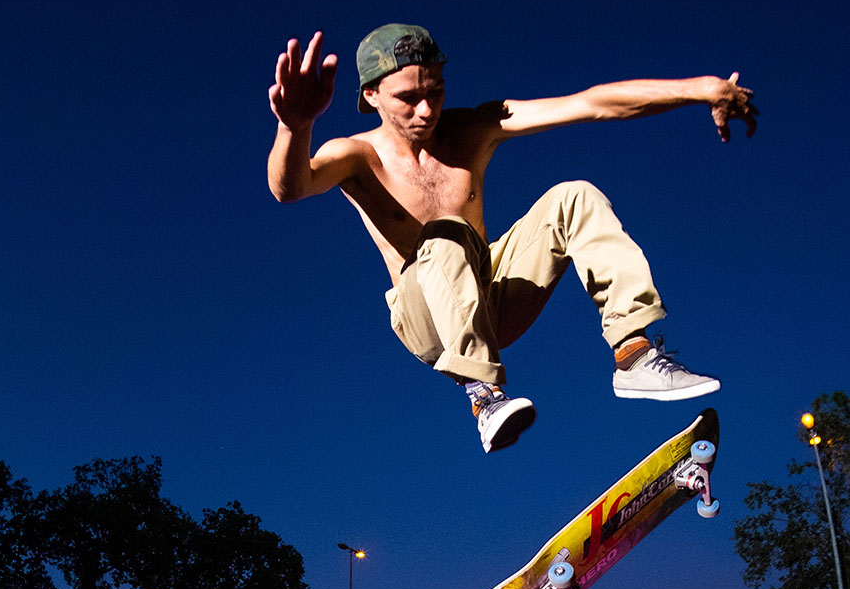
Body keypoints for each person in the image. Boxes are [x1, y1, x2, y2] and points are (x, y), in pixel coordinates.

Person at [267, 26, 757, 452]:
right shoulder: (355, 154)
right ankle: (483, 398)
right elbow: (290, 188)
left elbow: (590, 105)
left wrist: (702, 89)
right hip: (426, 321)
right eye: (407, 99)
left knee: (574, 196)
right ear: (371, 95)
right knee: (444, 235)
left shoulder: (473, 129)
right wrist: (295, 125)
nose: (426, 110)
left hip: (489, 297)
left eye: (434, 91)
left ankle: (633, 355)